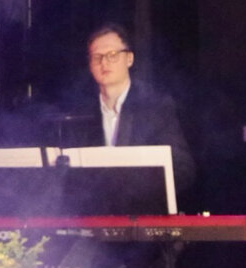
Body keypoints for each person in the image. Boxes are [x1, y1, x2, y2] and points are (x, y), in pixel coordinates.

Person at [71, 23, 196, 200]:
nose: (104, 62)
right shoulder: (80, 113)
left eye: (112, 55)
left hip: (142, 208)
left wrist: (134, 188)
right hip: (94, 210)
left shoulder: (155, 107)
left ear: (129, 59)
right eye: (97, 57)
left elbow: (182, 169)